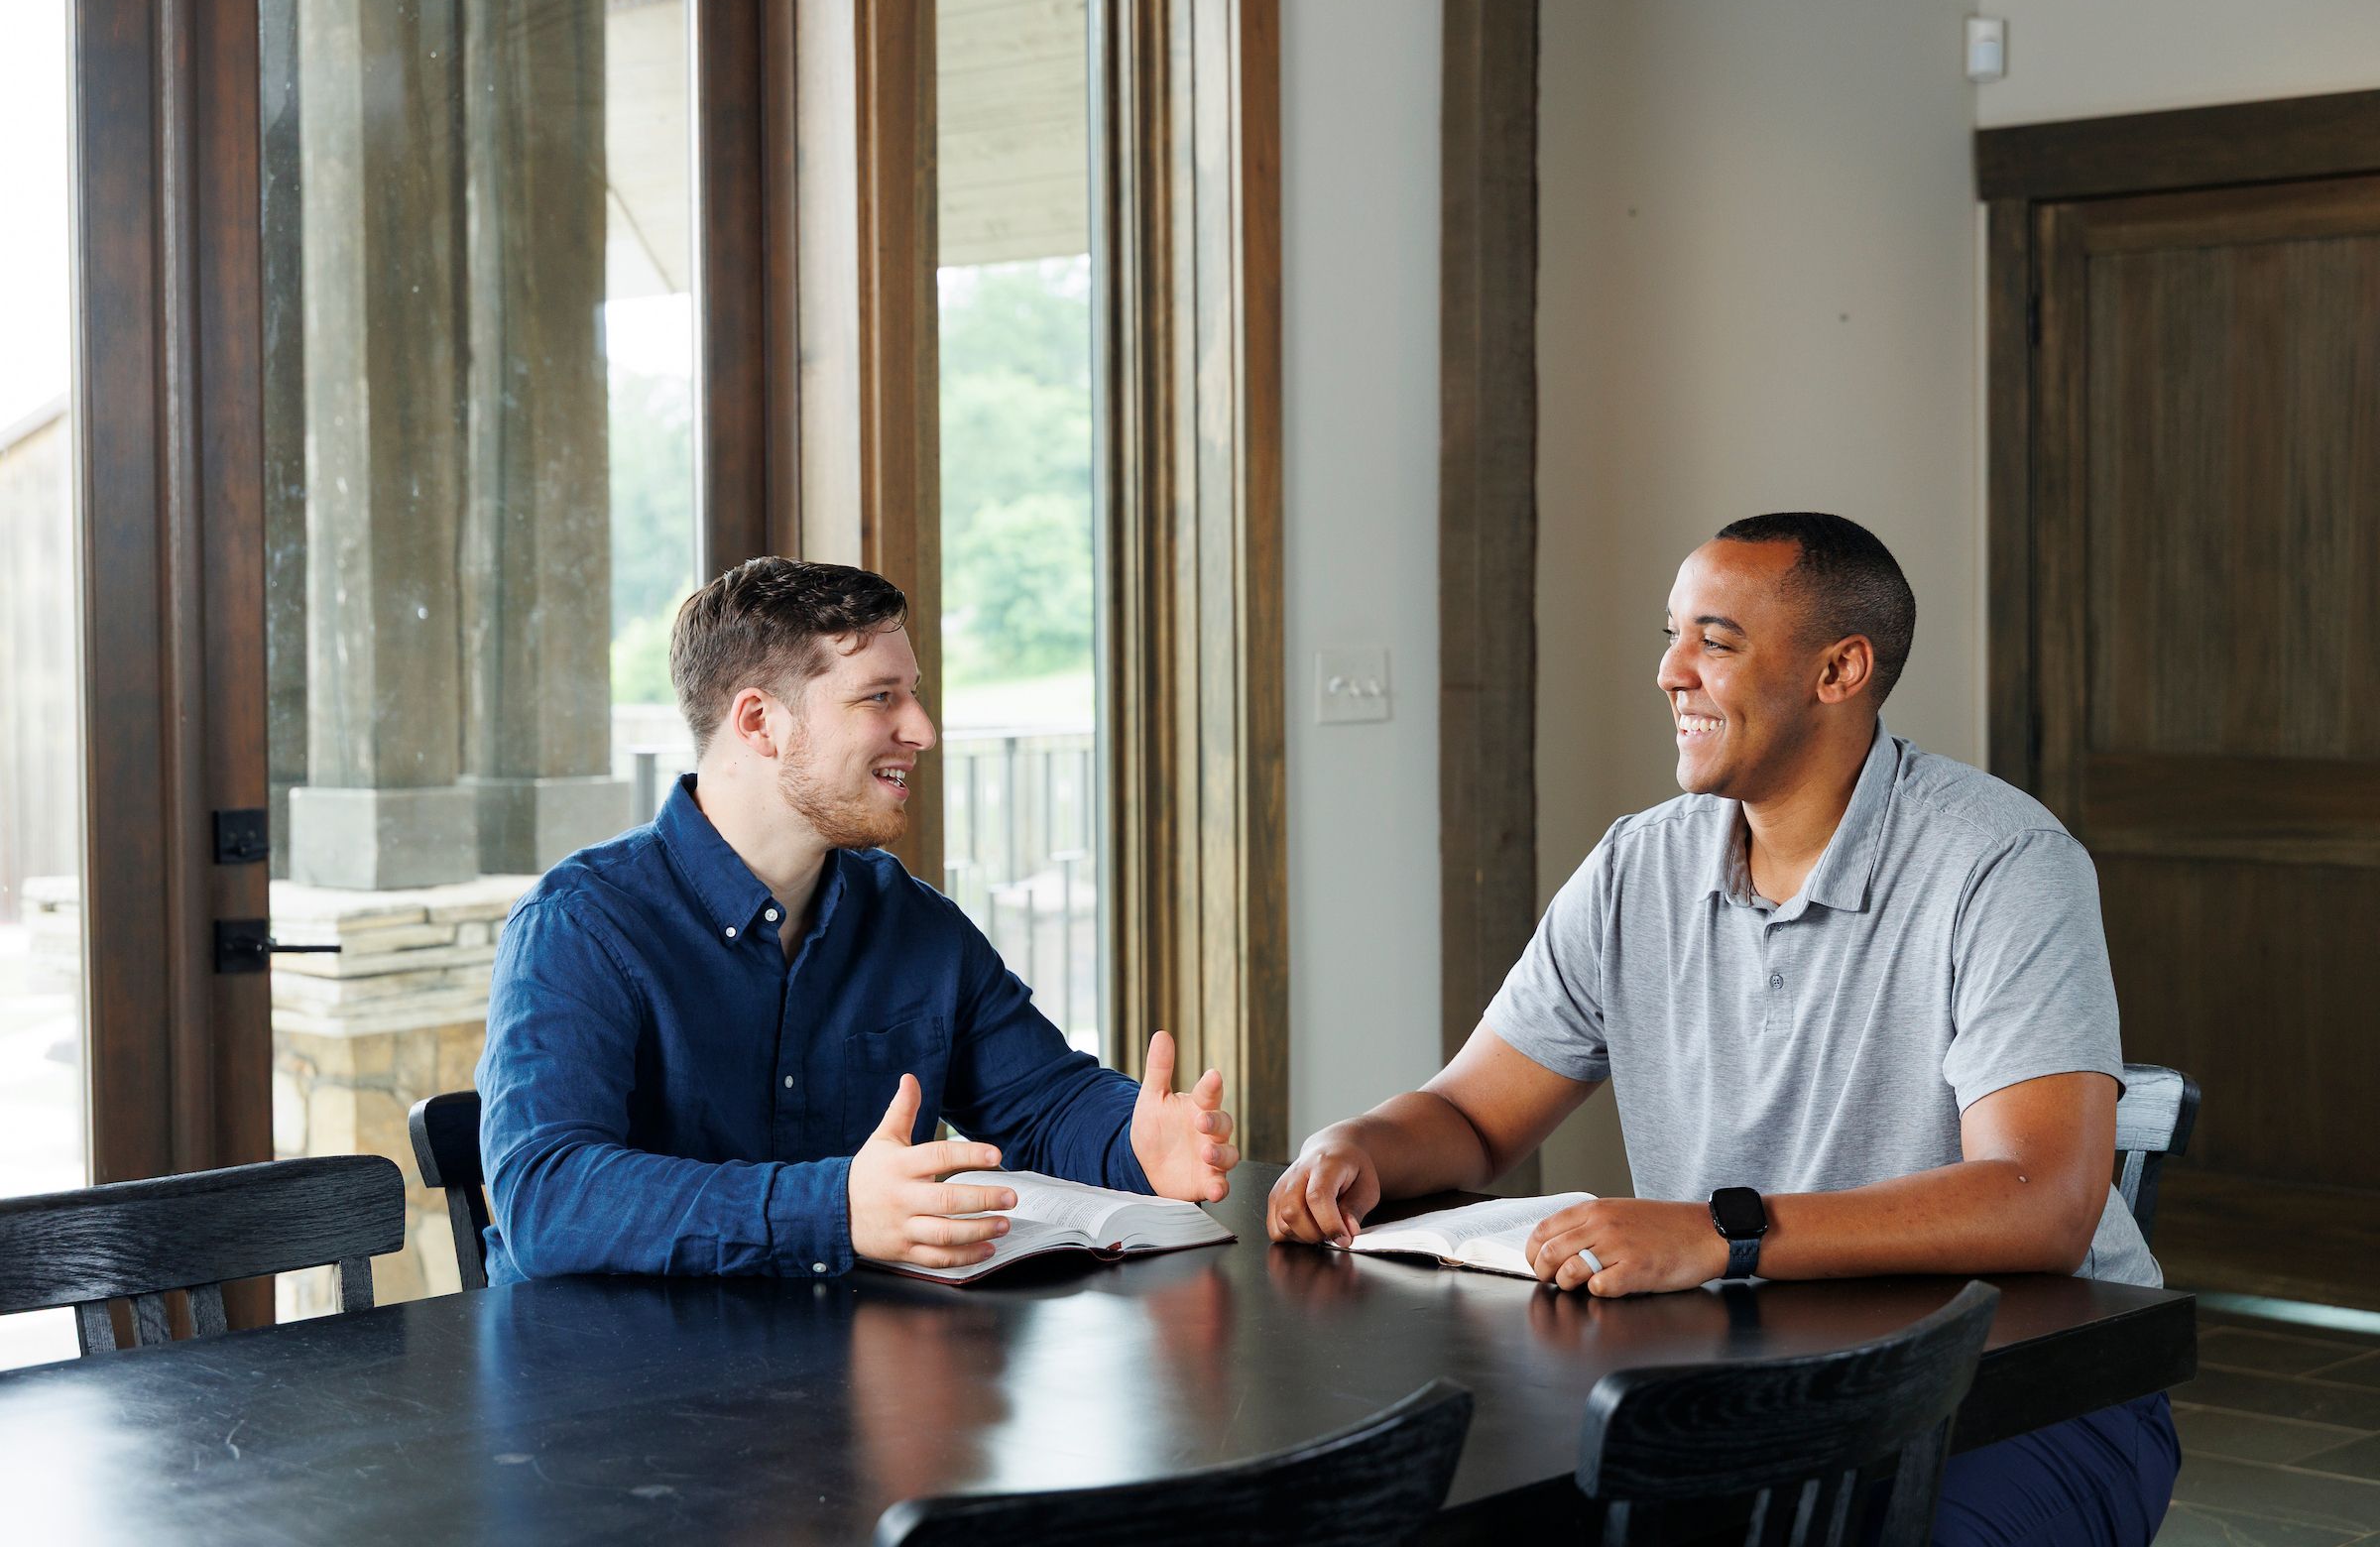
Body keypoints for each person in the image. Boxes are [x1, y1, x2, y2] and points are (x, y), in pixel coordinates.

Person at [1268, 514, 2178, 1545]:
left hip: (2014, 1394)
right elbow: (1471, 1117)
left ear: (1840, 669)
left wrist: (1718, 1230)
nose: (1669, 671)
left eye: (1714, 639)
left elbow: (2044, 1200)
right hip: (1743, 1384)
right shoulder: (1635, 866)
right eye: (1671, 635)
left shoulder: (2004, 860)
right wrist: (1360, 1145)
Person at [479, 557, 1239, 1284]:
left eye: (914, 694)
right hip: (609, 1394)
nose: (923, 731)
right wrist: (835, 1209)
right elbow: (548, 1197)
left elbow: (1043, 1107)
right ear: (758, 721)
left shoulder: (915, 924)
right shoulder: (579, 926)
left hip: (843, 1376)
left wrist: (1134, 1141)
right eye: (881, 697)